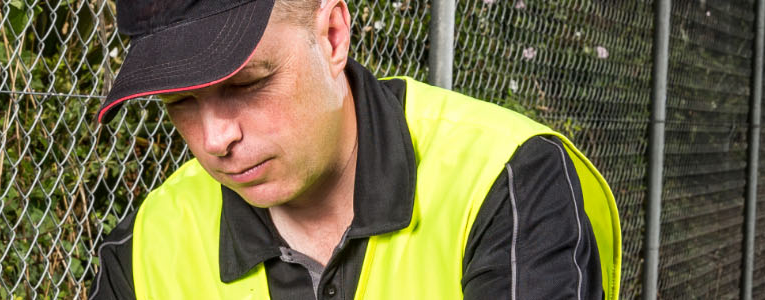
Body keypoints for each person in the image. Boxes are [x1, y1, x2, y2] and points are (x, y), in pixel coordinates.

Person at [89, 0, 622, 299]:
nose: (215, 138)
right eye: (180, 101)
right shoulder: (146, 247)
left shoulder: (506, 180)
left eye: (247, 84)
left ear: (333, 35)